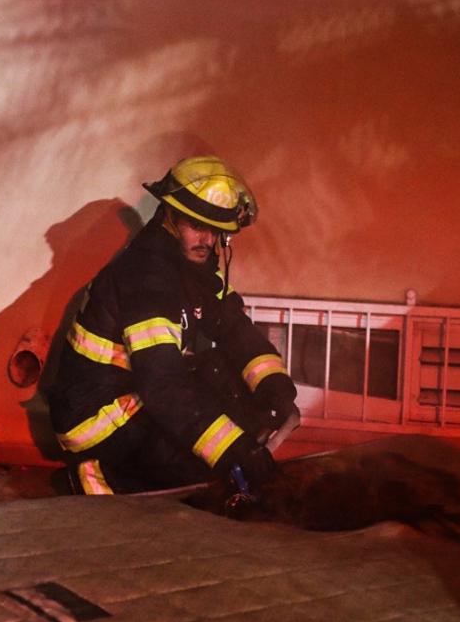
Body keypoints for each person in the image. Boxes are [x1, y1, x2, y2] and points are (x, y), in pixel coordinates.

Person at [46, 156, 299, 495]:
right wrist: (232, 449)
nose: (207, 240)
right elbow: (163, 386)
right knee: (204, 462)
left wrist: (276, 389)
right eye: (197, 226)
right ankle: (95, 478)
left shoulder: (195, 270)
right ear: (169, 217)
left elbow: (237, 331)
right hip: (97, 419)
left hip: (135, 393)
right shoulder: (146, 278)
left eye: (215, 231)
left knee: (222, 380)